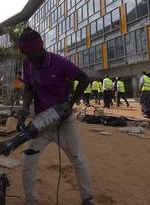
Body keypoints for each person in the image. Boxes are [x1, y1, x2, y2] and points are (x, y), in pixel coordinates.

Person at [15, 27, 93, 205]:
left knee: (77, 159)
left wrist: (69, 106)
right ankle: (31, 200)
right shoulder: (28, 63)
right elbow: (28, 87)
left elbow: (84, 79)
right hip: (41, 123)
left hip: (63, 122)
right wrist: (25, 108)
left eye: (31, 53)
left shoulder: (59, 62)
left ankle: (87, 199)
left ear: (40, 47)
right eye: (25, 54)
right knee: (28, 162)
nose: (29, 59)